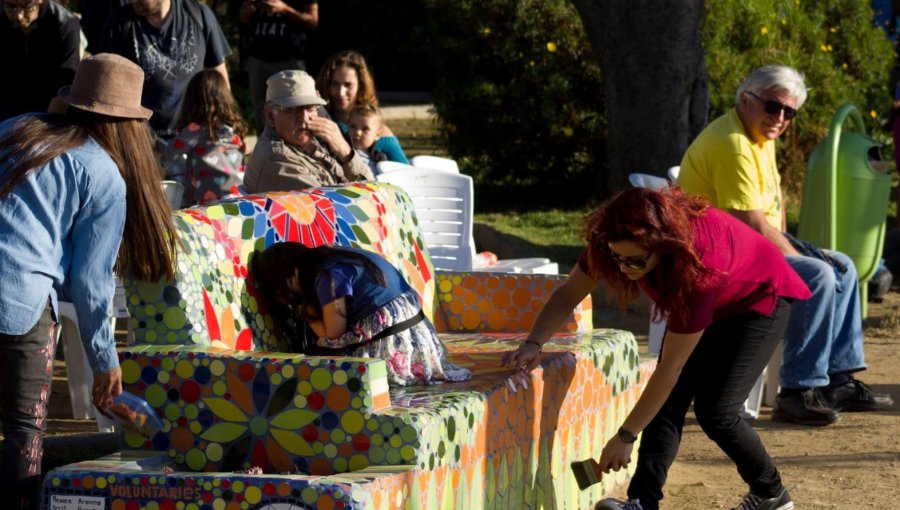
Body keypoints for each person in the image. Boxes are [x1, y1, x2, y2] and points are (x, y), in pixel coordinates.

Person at [502, 187, 809, 510]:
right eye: (617, 258)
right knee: (668, 405)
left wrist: (625, 436)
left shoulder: (697, 267)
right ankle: (642, 503)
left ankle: (771, 492)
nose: (624, 269)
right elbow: (567, 295)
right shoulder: (612, 240)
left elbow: (669, 371)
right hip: (716, 299)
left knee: (716, 411)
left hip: (759, 298)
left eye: (635, 260)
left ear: (664, 246)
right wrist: (534, 343)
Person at [0, 53, 177, 510]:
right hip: (18, 301)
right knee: (23, 431)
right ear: (128, 124)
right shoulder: (103, 173)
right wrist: (105, 362)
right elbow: (91, 283)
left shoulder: (15, 128)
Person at [678, 65, 893, 427]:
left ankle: (837, 380)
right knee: (818, 275)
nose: (779, 118)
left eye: (788, 112)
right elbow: (751, 224)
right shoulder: (734, 145)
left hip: (744, 241)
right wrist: (799, 260)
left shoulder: (760, 135)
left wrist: (799, 249)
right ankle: (797, 391)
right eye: (773, 107)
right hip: (717, 250)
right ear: (745, 100)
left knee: (844, 265)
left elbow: (770, 213)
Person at [251, 242, 471, 386]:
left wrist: (305, 313)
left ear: (290, 277)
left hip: (395, 346)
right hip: (417, 339)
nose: (284, 301)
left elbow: (334, 335)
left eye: (280, 293)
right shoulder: (338, 255)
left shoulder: (327, 276)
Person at [98, 0, 232, 143]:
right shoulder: (119, 24)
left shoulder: (198, 15)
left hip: (194, 139)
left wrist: (226, 124)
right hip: (142, 141)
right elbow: (105, 90)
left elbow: (219, 77)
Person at [243, 69, 374, 194]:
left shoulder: (302, 141)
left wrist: (345, 151)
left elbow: (371, 189)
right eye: (293, 109)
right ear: (271, 116)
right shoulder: (277, 159)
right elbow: (335, 207)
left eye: (311, 108)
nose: (304, 118)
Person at [163, 69, 248, 207]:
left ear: (192, 101)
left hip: (209, 201)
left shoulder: (195, 129)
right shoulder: (234, 128)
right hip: (239, 194)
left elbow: (170, 153)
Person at [316, 50, 409, 164]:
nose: (340, 92)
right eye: (334, 84)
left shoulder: (378, 132)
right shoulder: (318, 119)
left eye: (348, 85)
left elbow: (407, 173)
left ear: (361, 86)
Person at [239, 0, 318, 133]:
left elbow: (313, 21)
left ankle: (298, 147)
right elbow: (244, 17)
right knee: (261, 109)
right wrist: (246, 11)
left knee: (298, 104)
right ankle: (266, 148)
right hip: (258, 57)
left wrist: (285, 9)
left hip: (290, 58)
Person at [1, 0, 80, 120]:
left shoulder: (64, 23)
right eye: (11, 7)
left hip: (46, 106)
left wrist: (48, 128)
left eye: (27, 7)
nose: (19, 15)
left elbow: (64, 86)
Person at [347, 104, 389, 174]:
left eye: (365, 129)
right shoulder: (344, 155)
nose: (358, 133)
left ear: (377, 134)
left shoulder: (380, 159)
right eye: (353, 126)